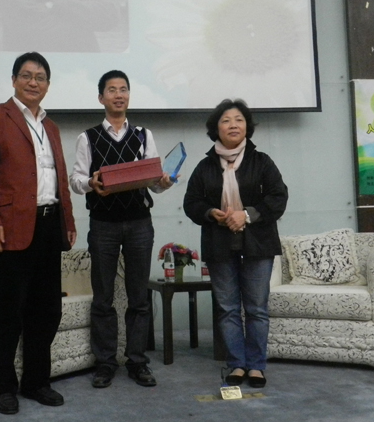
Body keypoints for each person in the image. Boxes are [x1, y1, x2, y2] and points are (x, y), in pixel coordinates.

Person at [0, 52, 77, 415]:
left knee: (46, 310)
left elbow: (59, 179)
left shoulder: (51, 127)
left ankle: (36, 381)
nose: (33, 82)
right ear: (14, 80)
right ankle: (2, 386)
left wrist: (68, 222)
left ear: (47, 85)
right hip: (11, 228)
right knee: (10, 311)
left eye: (40, 77)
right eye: (27, 76)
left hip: (49, 226)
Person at [69, 70, 174, 389]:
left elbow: (153, 181)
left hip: (140, 222)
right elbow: (75, 180)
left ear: (129, 95)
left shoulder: (143, 135)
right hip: (103, 224)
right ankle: (105, 363)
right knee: (103, 298)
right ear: (101, 97)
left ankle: (137, 361)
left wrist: (163, 182)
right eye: (112, 90)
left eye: (124, 89)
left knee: (139, 296)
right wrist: (91, 183)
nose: (119, 94)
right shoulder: (87, 137)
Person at [183, 99, 288, 388]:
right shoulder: (205, 166)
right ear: (216, 128)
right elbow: (191, 203)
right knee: (228, 308)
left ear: (247, 127)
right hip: (219, 244)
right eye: (226, 120)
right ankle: (236, 364)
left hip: (258, 244)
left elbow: (278, 197)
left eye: (239, 120)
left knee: (256, 308)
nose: (233, 125)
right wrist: (210, 213)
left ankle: (256, 366)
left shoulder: (262, 161)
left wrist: (247, 215)